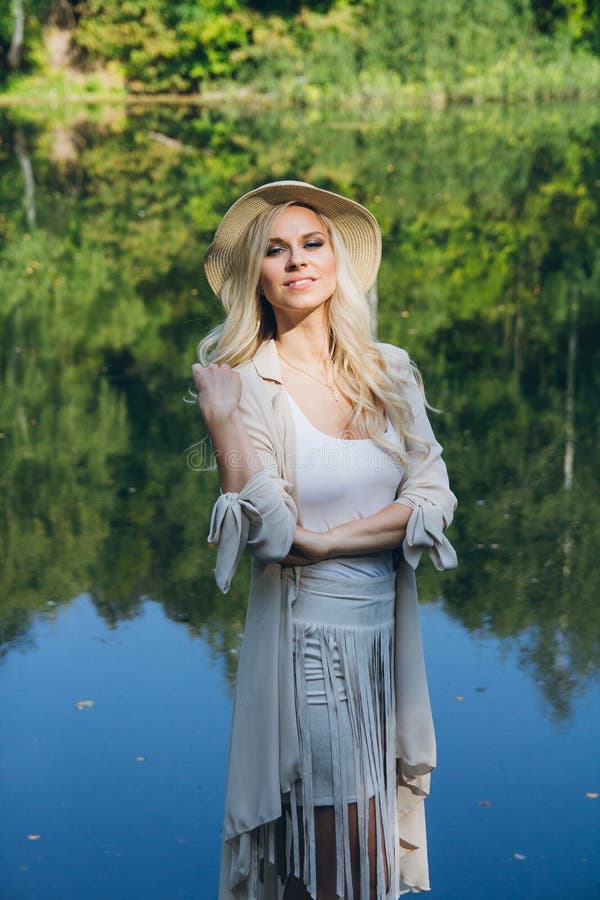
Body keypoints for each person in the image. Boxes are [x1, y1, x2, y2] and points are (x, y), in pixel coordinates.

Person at [192, 181, 457, 900]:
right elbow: (273, 537)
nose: (297, 261)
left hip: (384, 651)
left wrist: (330, 540)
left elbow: (433, 500)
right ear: (258, 277)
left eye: (312, 244)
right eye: (276, 251)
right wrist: (223, 430)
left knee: (367, 859)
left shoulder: (389, 370)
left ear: (337, 261)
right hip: (307, 650)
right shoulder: (248, 383)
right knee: (335, 858)